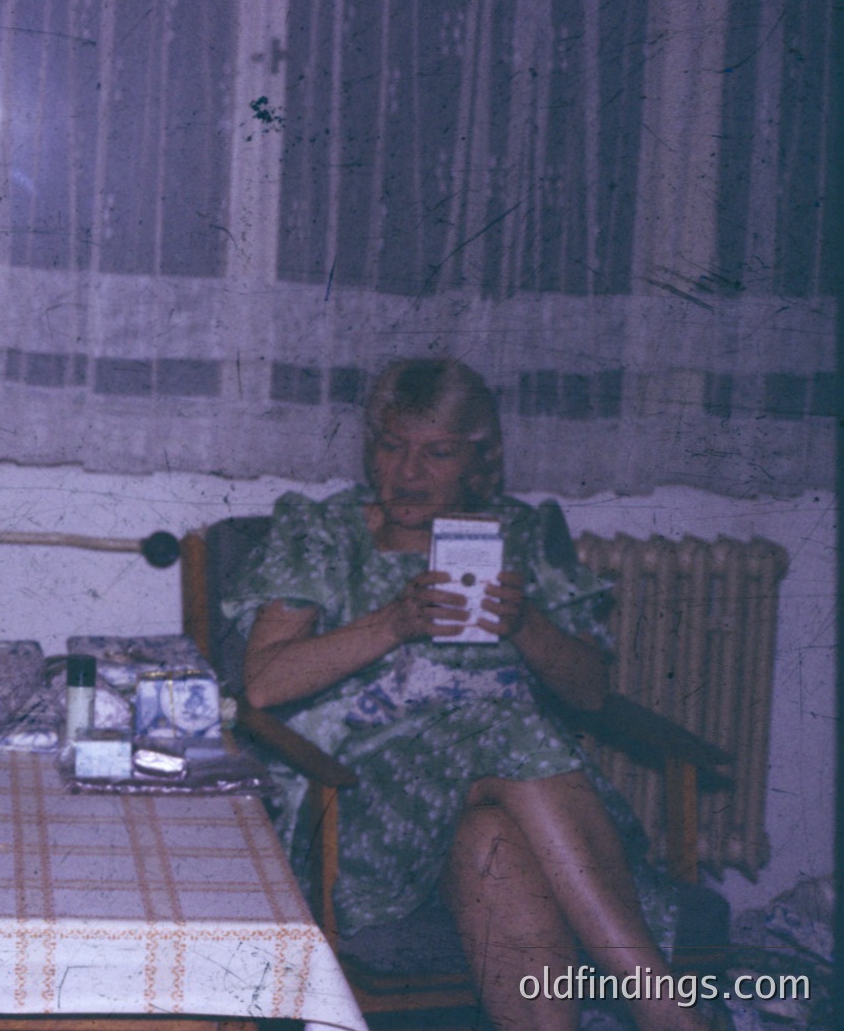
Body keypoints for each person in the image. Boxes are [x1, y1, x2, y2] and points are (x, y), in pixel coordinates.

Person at [222, 357, 710, 1031]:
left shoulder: (524, 534)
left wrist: (525, 623)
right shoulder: (324, 532)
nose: (407, 472)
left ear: (478, 461)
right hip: (361, 807)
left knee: (490, 836)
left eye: (437, 452)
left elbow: (591, 692)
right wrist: (392, 623)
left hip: (518, 805)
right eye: (391, 446)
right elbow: (262, 683)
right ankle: (663, 1006)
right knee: (505, 724)